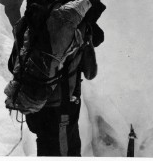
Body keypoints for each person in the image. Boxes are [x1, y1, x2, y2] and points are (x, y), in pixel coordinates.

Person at [24, 20, 98, 156]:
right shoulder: (77, 23)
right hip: (63, 107)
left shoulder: (38, 16)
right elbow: (90, 72)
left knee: (44, 145)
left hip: (37, 101)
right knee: (66, 150)